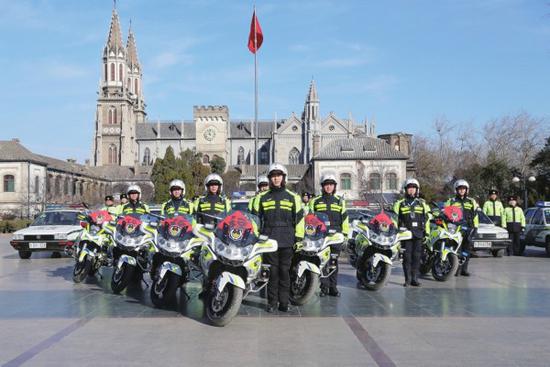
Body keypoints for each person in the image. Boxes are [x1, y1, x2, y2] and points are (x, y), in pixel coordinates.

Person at [252, 163, 304, 313]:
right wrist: (257, 237)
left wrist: (299, 238)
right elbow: (255, 219)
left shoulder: (293, 197)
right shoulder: (261, 198)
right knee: (272, 273)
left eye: (278, 176)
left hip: (287, 240)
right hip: (268, 241)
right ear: (269, 179)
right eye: (273, 176)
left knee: (284, 272)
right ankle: (272, 303)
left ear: (283, 178)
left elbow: (299, 219)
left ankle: (284, 302)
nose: (276, 179)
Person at [308, 173, 349, 296]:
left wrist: (345, 235)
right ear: (322, 186)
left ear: (334, 186)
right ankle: (324, 287)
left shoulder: (339, 202)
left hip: (336, 235)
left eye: (331, 185)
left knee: (333, 263)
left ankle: (333, 288)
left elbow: (345, 219)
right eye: (326, 184)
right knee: (323, 262)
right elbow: (310, 219)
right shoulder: (315, 201)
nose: (329, 187)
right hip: (321, 236)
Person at [393, 179, 431, 287]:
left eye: (413, 188)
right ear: (406, 190)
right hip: (406, 235)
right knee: (407, 257)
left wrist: (427, 233)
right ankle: (407, 280)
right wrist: (397, 232)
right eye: (409, 188)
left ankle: (415, 278)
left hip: (418, 234)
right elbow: (394, 219)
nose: (411, 190)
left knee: (417, 257)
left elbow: (427, 218)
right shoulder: (400, 204)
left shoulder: (422, 203)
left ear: (417, 190)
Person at [445, 179, 479, 276]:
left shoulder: (471, 201)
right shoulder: (451, 201)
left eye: (464, 189)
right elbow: (446, 215)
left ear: (467, 190)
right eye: (460, 189)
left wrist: (475, 228)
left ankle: (464, 269)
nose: (462, 191)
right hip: (456, 229)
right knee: (456, 249)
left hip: (468, 228)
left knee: (466, 250)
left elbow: (475, 216)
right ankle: (455, 269)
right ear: (456, 190)